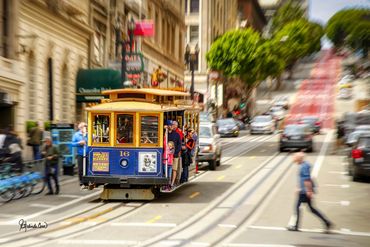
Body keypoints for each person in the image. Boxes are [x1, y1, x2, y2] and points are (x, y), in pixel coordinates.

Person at [287, 152, 332, 232]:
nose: (293, 159)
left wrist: (309, 190)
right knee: (311, 209)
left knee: (297, 207)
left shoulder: (303, 166)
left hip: (305, 191)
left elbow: (307, 179)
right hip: (304, 190)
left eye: (294, 157)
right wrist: (299, 187)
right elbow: (304, 179)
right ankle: (327, 222)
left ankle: (296, 226)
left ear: (299, 159)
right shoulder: (304, 164)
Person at [72, 122, 88, 187]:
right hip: (80, 154)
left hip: (88, 154)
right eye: (84, 127)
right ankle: (81, 181)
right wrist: (79, 143)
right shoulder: (76, 135)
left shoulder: (89, 134)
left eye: (86, 127)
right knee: (80, 168)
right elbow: (72, 144)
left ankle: (87, 181)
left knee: (87, 168)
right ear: (80, 128)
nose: (85, 128)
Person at [167, 121, 181, 188]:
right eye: (171, 125)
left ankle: (172, 183)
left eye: (172, 125)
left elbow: (179, 145)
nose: (172, 126)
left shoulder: (177, 135)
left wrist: (175, 153)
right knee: (168, 168)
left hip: (174, 155)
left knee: (174, 169)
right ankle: (168, 182)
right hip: (167, 155)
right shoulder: (166, 134)